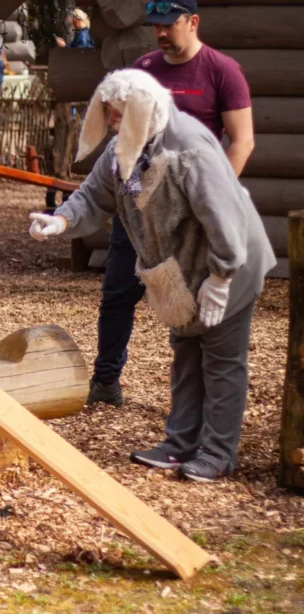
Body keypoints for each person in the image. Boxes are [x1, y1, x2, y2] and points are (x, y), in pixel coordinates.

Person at [28, 70, 275, 483]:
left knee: (221, 360)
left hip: (230, 261)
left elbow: (224, 218)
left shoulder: (190, 150)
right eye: (108, 113)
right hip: (180, 269)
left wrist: (221, 276)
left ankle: (217, 454)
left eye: (118, 113)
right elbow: (94, 195)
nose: (111, 122)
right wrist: (63, 220)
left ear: (142, 111)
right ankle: (181, 444)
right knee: (186, 352)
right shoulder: (123, 148)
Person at [86, 0, 255, 407]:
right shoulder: (143, 70)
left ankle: (198, 399)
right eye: (155, 26)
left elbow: (242, 141)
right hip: (139, 208)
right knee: (118, 293)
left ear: (192, 21)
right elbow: (123, 132)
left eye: (169, 24)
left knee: (195, 304)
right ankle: (106, 380)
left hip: (191, 214)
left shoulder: (222, 71)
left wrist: (213, 196)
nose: (161, 33)